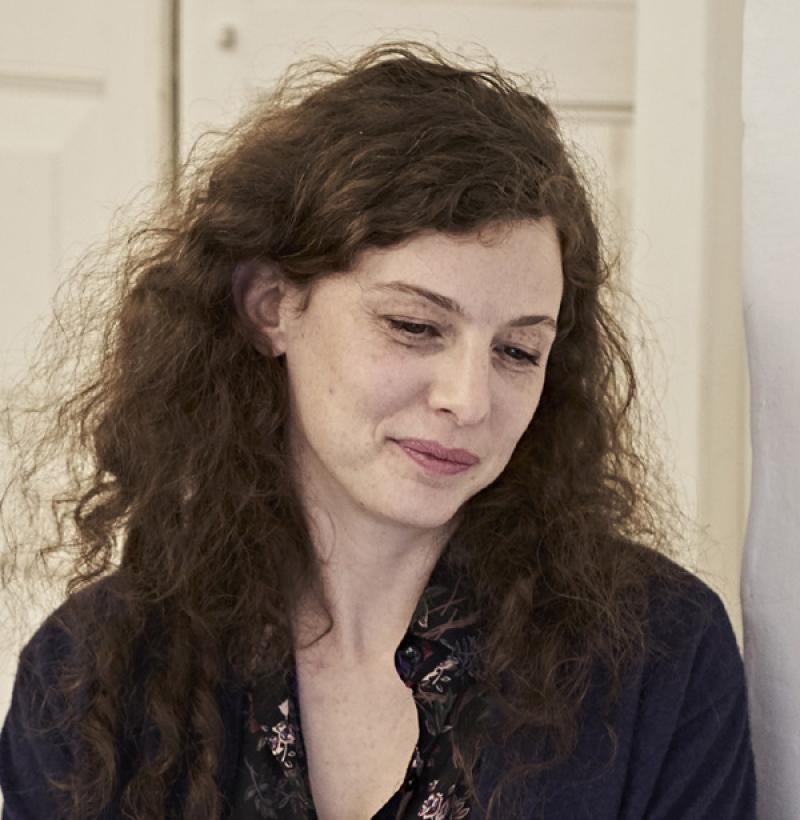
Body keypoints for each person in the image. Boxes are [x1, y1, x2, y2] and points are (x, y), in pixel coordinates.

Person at [0, 42, 756, 819]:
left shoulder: (660, 659)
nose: (469, 400)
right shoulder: (87, 679)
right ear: (270, 307)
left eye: (518, 351)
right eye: (414, 326)